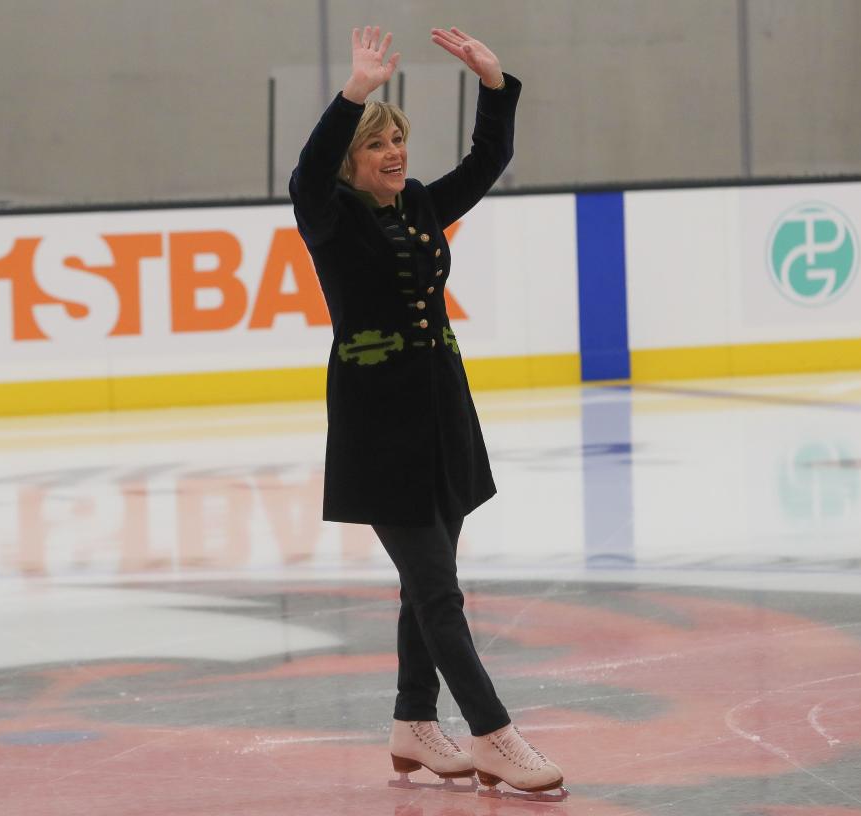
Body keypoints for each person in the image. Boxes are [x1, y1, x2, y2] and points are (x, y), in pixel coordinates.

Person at [290, 25, 565, 794]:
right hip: (378, 423)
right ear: (352, 161)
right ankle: (493, 735)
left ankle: (414, 724)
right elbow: (307, 174)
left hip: (442, 409)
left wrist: (493, 82)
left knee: (427, 579)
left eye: (400, 140)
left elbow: (487, 163)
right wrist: (354, 96)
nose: (397, 153)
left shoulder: (416, 205)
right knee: (438, 591)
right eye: (380, 145)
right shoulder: (329, 217)